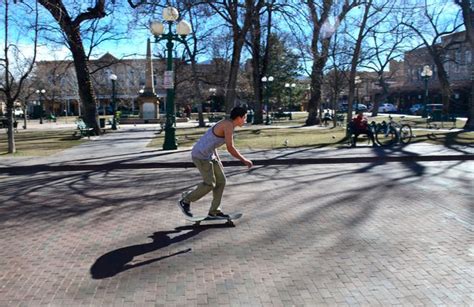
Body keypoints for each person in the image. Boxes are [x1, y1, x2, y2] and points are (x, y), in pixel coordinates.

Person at [178, 106, 253, 218]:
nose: (245, 120)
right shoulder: (228, 125)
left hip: (210, 155)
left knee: (221, 181)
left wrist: (217, 158)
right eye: (245, 117)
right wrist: (244, 160)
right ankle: (185, 200)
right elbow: (230, 148)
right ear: (238, 118)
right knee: (210, 184)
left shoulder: (228, 124)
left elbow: (213, 142)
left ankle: (214, 211)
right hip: (200, 156)